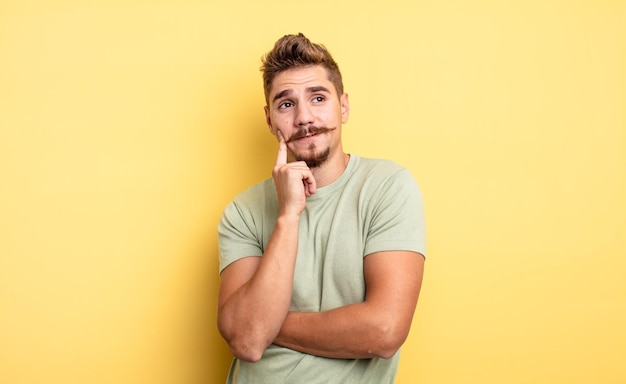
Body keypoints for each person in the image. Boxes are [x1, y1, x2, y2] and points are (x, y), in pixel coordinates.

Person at [217, 33, 426, 383]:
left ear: (342, 106)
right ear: (270, 120)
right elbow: (249, 343)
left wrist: (267, 324)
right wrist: (288, 216)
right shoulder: (243, 212)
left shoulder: (388, 187)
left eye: (317, 97)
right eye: (286, 104)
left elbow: (385, 331)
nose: (304, 117)